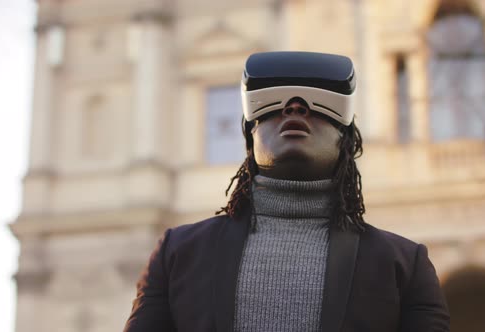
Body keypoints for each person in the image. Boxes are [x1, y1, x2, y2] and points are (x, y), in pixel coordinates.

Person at [124, 51, 450, 332]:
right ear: (250, 135)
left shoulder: (404, 265)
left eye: (320, 104)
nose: (295, 107)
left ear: (346, 140)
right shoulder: (177, 254)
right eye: (273, 104)